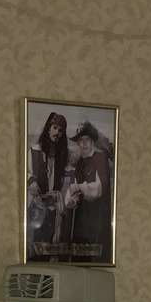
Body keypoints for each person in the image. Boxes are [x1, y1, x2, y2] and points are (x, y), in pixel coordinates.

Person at [26, 111, 71, 261]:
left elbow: (65, 179)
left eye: (61, 130)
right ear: (48, 128)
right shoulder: (34, 151)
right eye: (55, 128)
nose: (57, 133)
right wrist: (31, 182)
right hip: (37, 206)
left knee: (51, 246)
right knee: (36, 246)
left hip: (53, 207)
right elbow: (26, 172)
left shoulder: (62, 155)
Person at [67, 121, 113, 262]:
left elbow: (98, 190)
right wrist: (72, 199)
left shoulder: (100, 158)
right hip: (82, 217)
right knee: (79, 256)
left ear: (92, 141)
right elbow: (74, 187)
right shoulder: (80, 162)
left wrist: (78, 188)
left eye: (87, 139)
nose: (84, 143)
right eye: (80, 140)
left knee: (95, 256)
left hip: (97, 216)